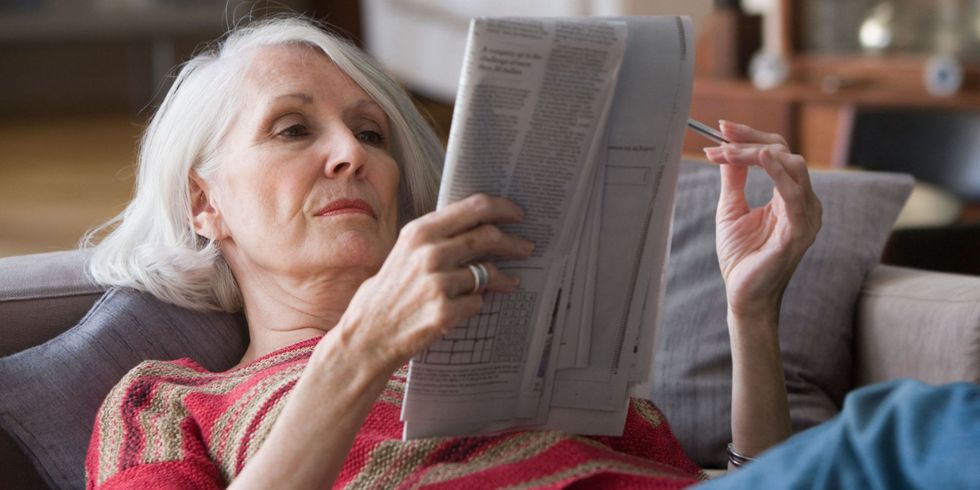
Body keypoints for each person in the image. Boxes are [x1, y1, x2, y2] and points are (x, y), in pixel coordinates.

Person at [82, 15, 821, 489]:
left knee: (911, 428)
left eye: (372, 134)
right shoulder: (168, 401)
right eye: (292, 129)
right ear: (204, 203)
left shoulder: (531, 357)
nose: (351, 154)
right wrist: (360, 348)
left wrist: (752, 313)